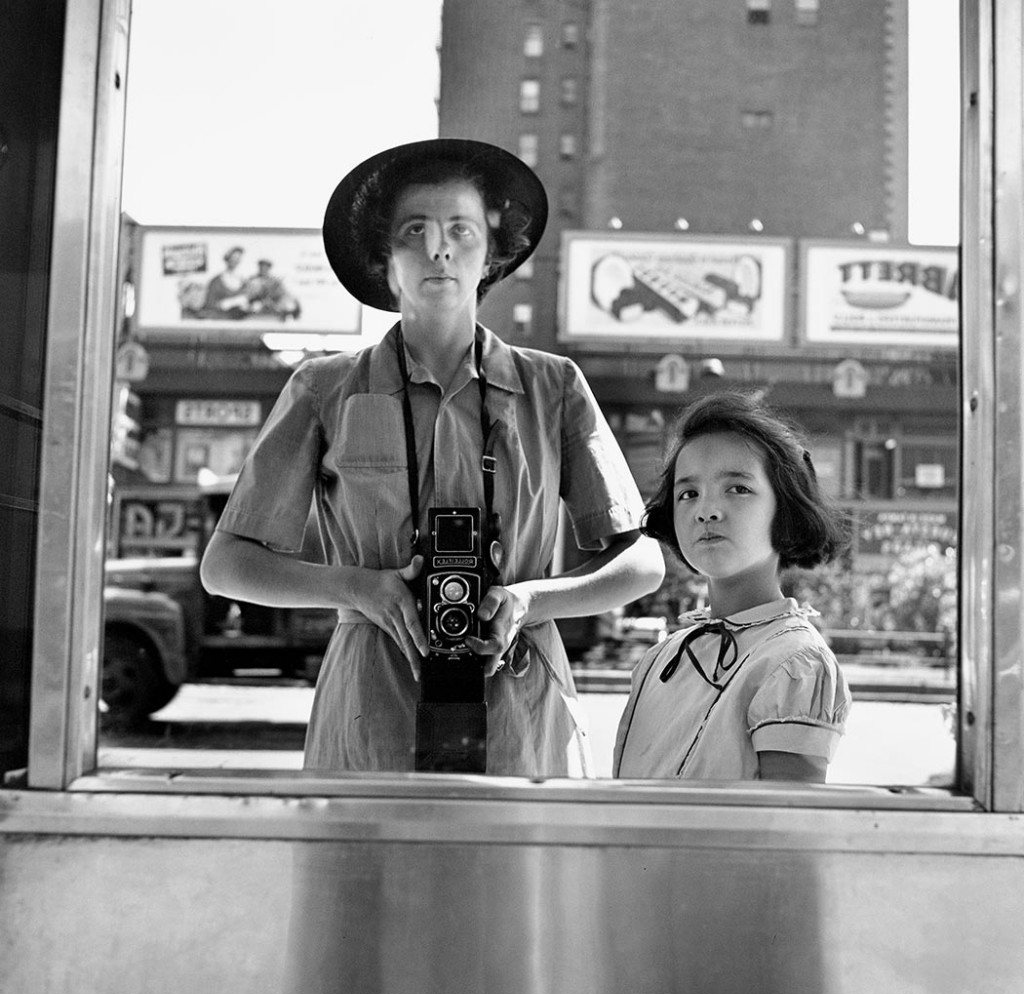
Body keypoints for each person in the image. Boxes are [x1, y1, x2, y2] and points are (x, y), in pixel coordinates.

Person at [200, 138, 664, 775]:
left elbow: (641, 561)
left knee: (518, 877)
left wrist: (531, 600)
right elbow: (226, 565)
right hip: (370, 713)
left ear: (491, 256)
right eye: (413, 230)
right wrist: (357, 588)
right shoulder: (324, 388)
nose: (438, 247)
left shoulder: (553, 387)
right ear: (384, 261)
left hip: (520, 711)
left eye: (460, 229)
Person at [613, 391, 852, 782]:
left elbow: (784, 828)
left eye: (738, 488)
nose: (707, 509)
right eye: (688, 493)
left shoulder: (794, 663)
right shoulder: (660, 659)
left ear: (785, 510)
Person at [202, 245, 250, 317]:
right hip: (220, 318)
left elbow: (247, 300)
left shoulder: (243, 281)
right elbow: (209, 304)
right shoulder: (216, 281)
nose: (235, 261)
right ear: (227, 259)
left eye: (238, 258)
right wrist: (225, 304)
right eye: (233, 258)